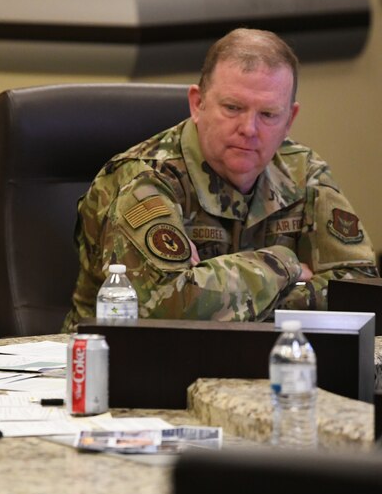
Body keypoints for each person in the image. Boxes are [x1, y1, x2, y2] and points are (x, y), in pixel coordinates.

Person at [65, 28, 377, 330]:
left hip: (266, 362)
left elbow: (361, 292)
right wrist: (281, 263)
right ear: (197, 104)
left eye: (268, 114)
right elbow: (168, 308)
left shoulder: (303, 171)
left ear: (289, 120)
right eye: (233, 108)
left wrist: (225, 296)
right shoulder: (145, 179)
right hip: (120, 368)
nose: (249, 129)